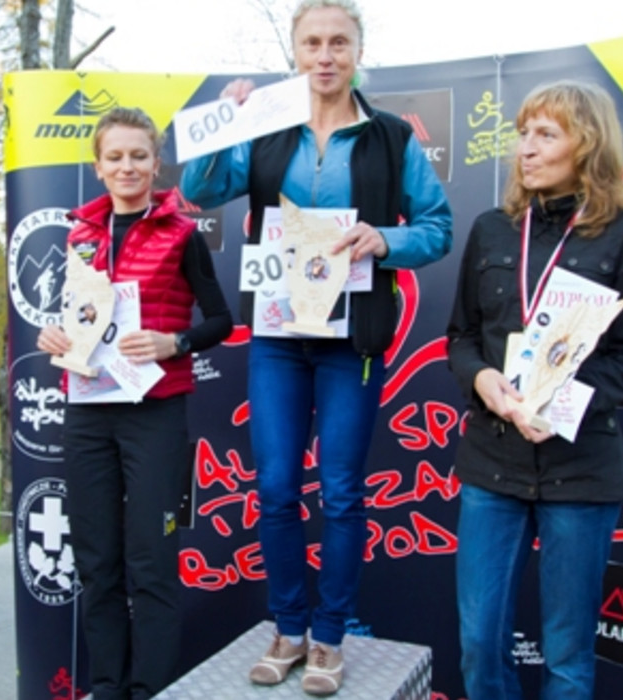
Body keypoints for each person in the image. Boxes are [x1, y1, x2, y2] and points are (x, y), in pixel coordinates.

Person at [180, 1, 452, 694]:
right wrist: (225, 123)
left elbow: (438, 226)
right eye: (311, 43)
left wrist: (385, 240)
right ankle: (288, 627)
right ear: (295, 52)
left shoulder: (392, 138)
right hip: (278, 335)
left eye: (338, 42)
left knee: (340, 492)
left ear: (358, 50)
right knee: (274, 490)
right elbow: (199, 189)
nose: (325, 54)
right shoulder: (265, 129)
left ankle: (330, 636)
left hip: (350, 339)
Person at [446, 80, 623, 700]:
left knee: (567, 656)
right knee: (481, 644)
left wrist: (557, 400)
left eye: (546, 134)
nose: (526, 149)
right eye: (522, 134)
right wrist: (485, 382)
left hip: (582, 467)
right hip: (492, 464)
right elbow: (461, 337)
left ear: (585, 143)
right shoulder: (491, 229)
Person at [37, 106, 233, 700]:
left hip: (154, 411)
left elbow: (223, 320)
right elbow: (83, 317)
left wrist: (176, 341)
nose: (127, 167)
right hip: (88, 409)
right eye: (115, 157)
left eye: (139, 156)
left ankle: (150, 689)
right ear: (98, 167)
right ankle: (106, 687)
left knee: (150, 562)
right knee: (97, 563)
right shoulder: (79, 235)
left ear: (155, 163)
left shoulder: (181, 231)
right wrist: (58, 337)